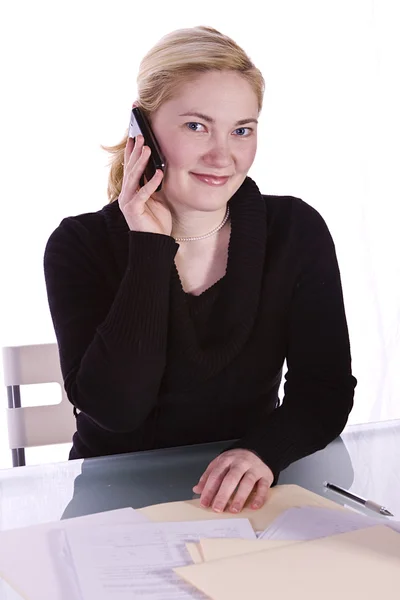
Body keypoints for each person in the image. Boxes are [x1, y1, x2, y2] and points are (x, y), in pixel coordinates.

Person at [44, 25, 357, 515]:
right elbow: (117, 411)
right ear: (140, 132)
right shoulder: (79, 245)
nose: (223, 156)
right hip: (116, 508)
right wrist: (149, 245)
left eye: (241, 130)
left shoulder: (295, 230)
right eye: (196, 126)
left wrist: (264, 453)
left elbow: (325, 390)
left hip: (252, 498)